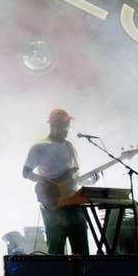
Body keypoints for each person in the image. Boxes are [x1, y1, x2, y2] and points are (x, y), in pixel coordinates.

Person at [22, 108, 89, 255]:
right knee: (56, 253)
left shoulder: (69, 146)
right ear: (54, 125)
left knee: (82, 252)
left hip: (73, 203)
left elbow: (75, 174)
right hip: (54, 204)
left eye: (68, 125)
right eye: (65, 125)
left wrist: (89, 179)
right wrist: (48, 184)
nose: (67, 129)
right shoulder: (39, 146)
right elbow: (26, 172)